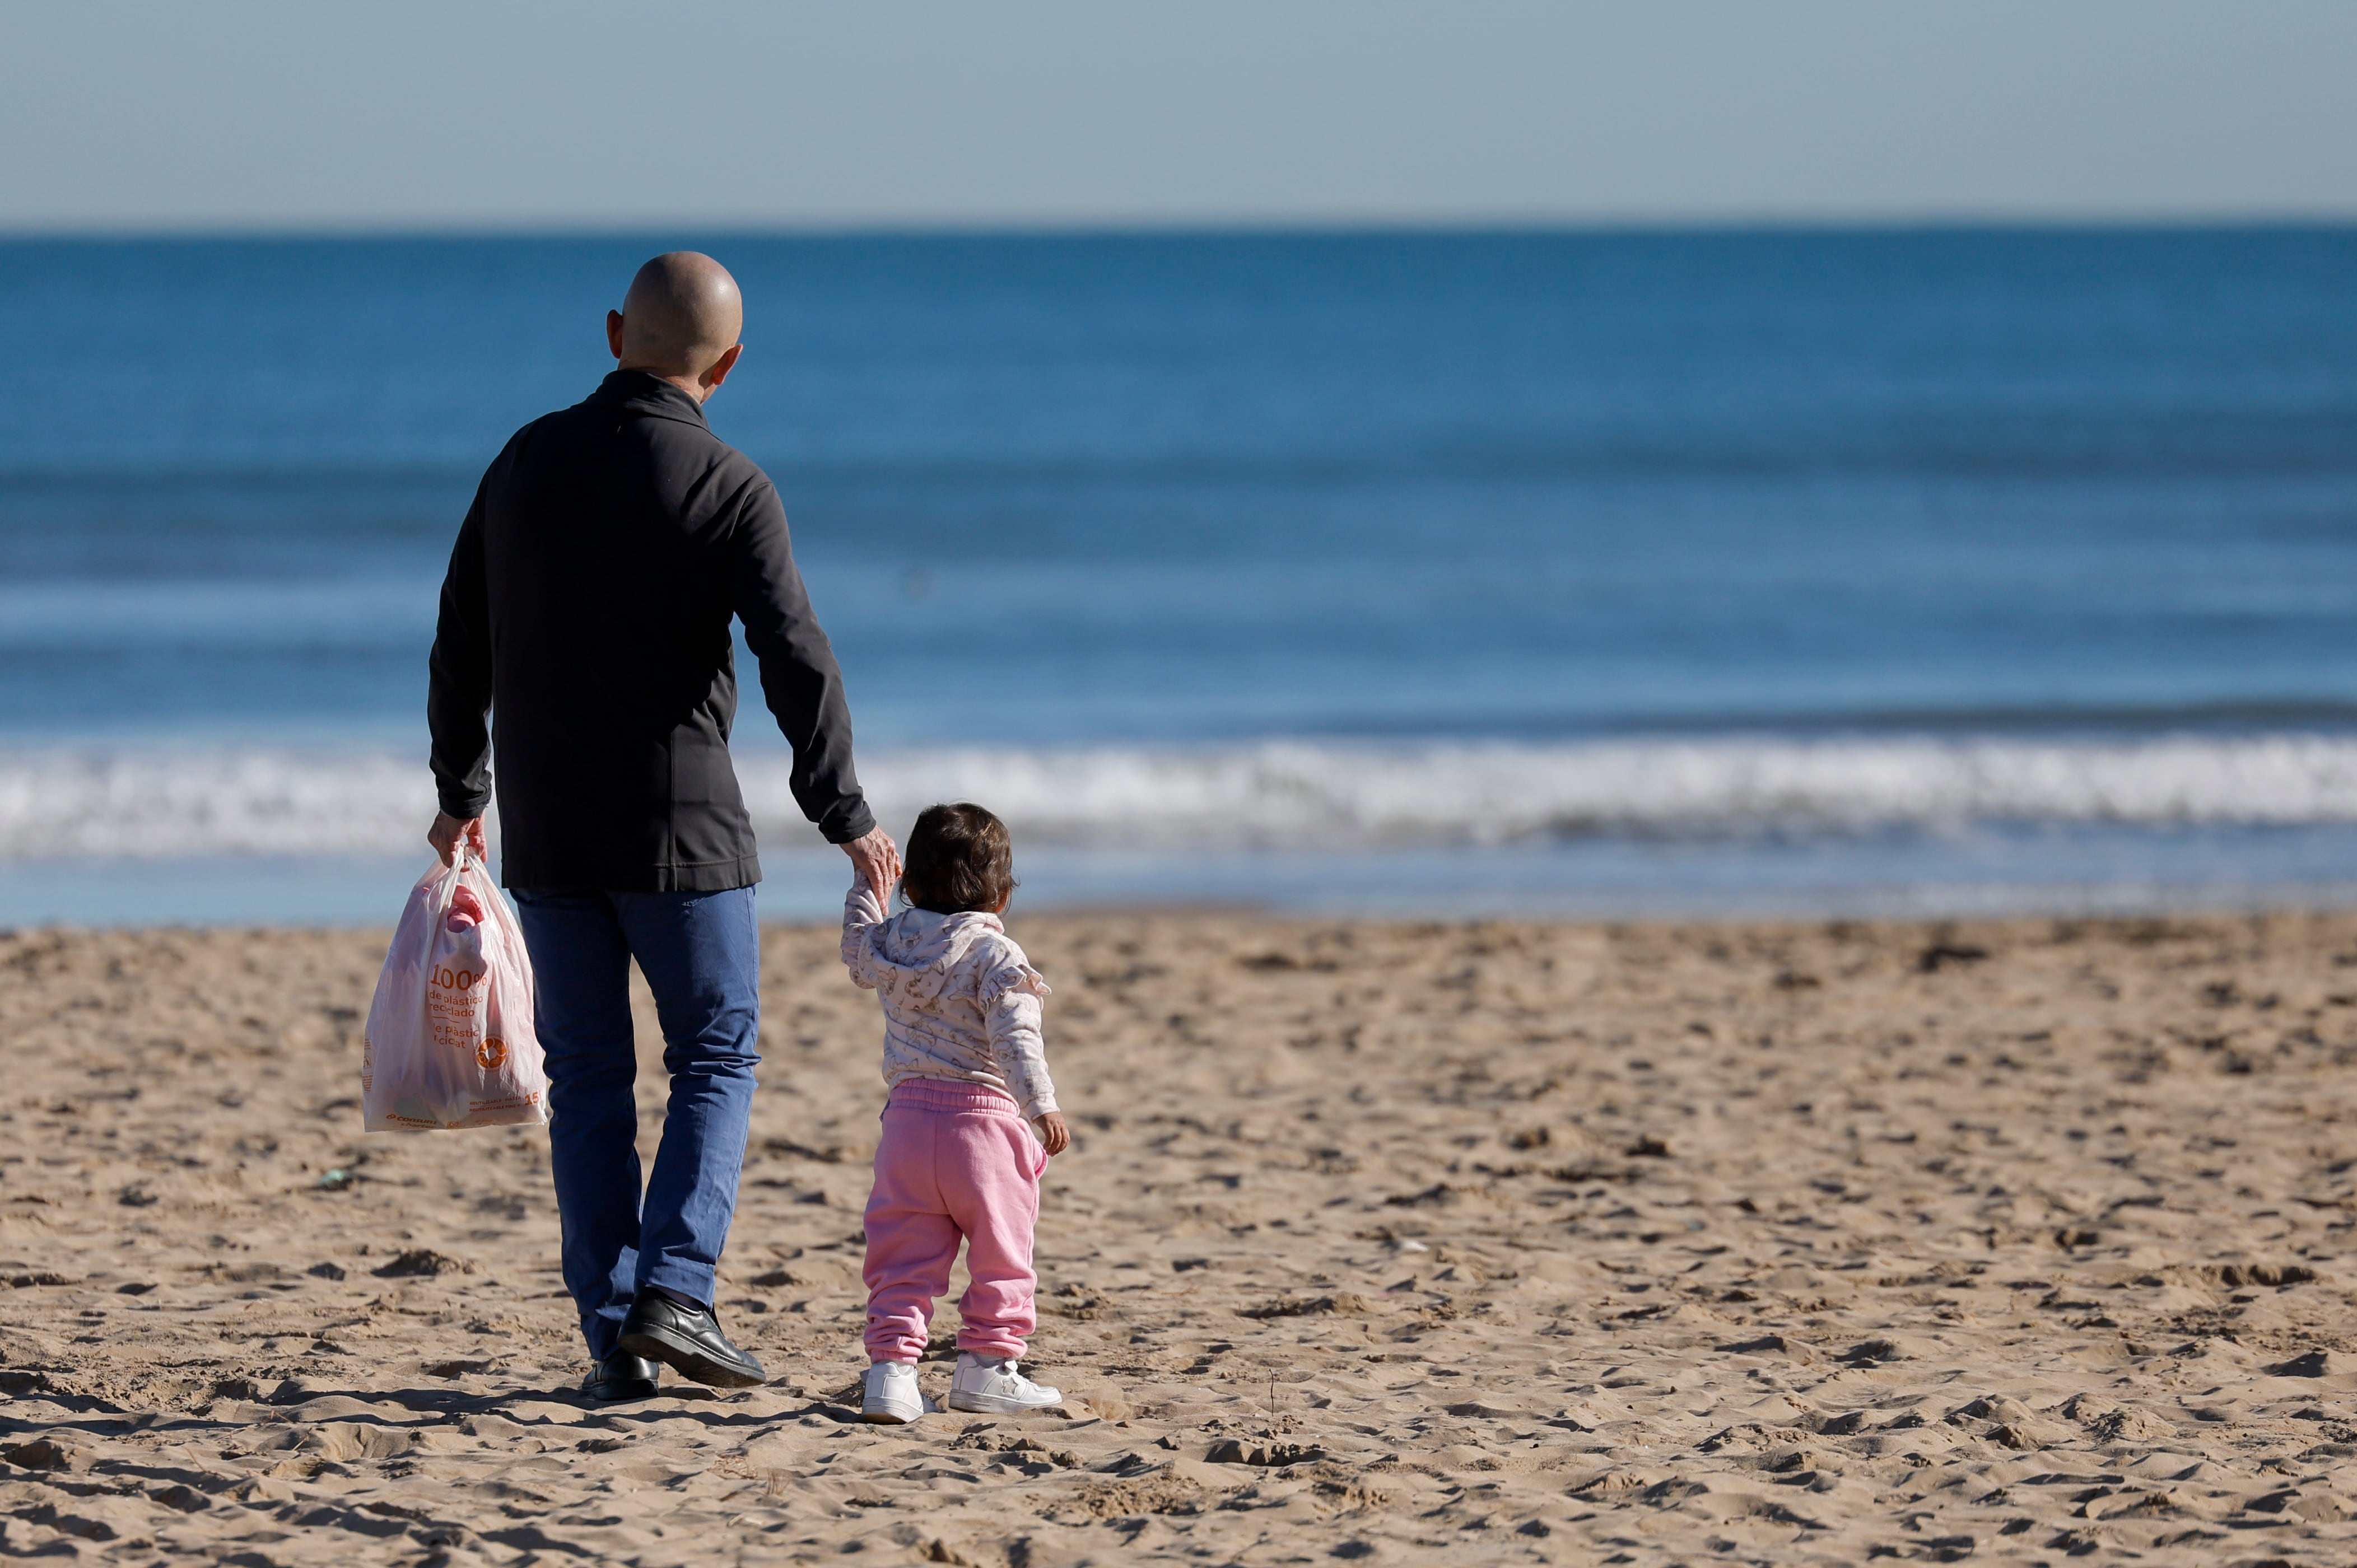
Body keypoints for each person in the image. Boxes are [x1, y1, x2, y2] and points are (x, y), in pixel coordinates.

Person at [426, 251, 901, 1403]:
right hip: (684, 836)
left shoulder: (523, 461)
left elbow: (458, 639)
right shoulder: (730, 482)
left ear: (611, 335)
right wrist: (845, 815)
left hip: (549, 832)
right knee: (716, 1056)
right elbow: (797, 657)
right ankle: (676, 1294)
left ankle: (612, 1331)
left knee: (588, 1075)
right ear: (727, 365)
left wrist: (461, 791)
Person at [839, 803, 1070, 1423]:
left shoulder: (890, 943)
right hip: (984, 1124)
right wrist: (1039, 1103)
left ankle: (891, 1373)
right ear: (1000, 897)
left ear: (910, 885)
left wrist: (868, 884)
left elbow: (855, 945)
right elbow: (1016, 1037)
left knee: (903, 1253)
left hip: (908, 1124)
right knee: (1001, 1251)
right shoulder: (996, 956)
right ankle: (987, 1368)